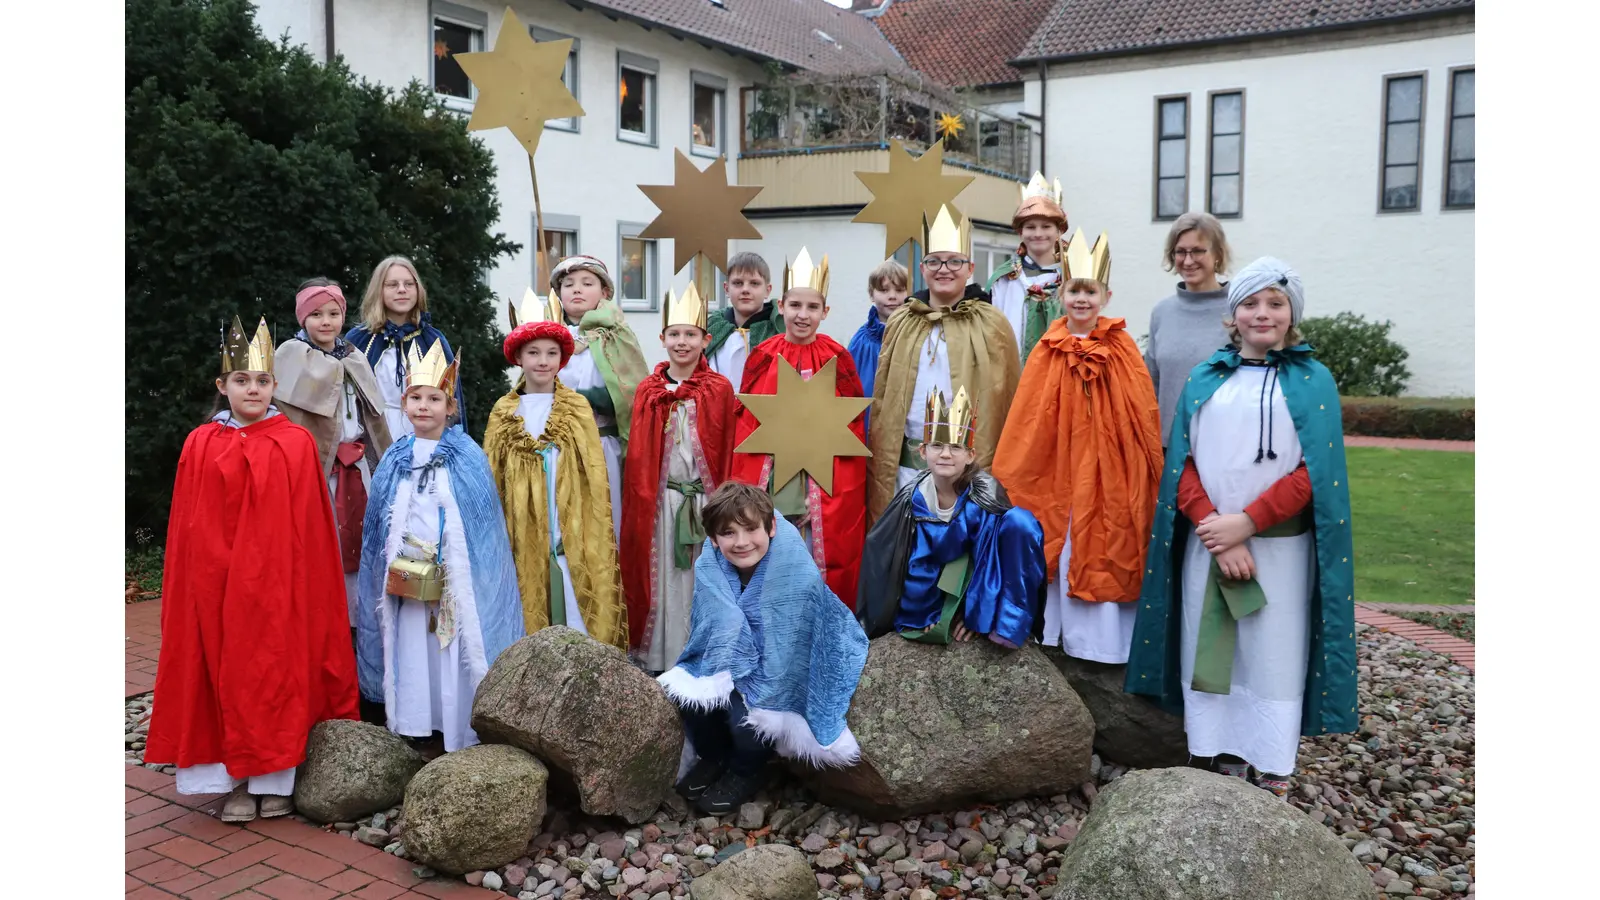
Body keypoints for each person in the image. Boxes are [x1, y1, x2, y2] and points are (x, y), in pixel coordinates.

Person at [1125, 257, 1357, 800]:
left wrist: (1248, 523)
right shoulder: (1208, 378)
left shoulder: (1312, 381)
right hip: (1208, 546)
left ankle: (1272, 759)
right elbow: (1179, 461)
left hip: (1278, 549)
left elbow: (1314, 472)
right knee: (1212, 644)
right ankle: (1219, 749)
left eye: (1275, 303)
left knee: (1270, 647)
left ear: (1291, 314)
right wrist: (1213, 526)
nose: (1262, 313)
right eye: (1251, 303)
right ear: (1232, 316)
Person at [145, 317, 358, 824]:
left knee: (274, 669)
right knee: (223, 666)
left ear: (275, 386)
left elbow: (310, 531)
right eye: (242, 381)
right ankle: (233, 778)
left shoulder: (295, 443)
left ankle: (273, 779)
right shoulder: (202, 443)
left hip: (278, 583)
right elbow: (189, 524)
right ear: (223, 387)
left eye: (262, 381)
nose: (253, 389)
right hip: (216, 583)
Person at [991, 230, 1164, 664]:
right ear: (1061, 293)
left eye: (1090, 291)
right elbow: (1030, 414)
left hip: (1110, 467)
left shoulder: (1122, 347)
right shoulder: (1047, 349)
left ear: (1106, 295)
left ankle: (1110, 643)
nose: (1081, 299)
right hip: (1060, 466)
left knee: (1110, 537)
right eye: (1074, 290)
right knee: (1065, 539)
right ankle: (1066, 636)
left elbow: (1139, 410)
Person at [659, 482, 869, 814]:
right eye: (728, 533)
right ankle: (714, 757)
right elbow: (710, 630)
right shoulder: (709, 568)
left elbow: (790, 650)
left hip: (780, 665)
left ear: (771, 527)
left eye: (751, 529)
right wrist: (724, 669)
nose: (741, 542)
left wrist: (747, 684)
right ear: (713, 539)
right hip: (730, 655)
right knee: (692, 700)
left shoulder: (797, 574)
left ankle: (747, 770)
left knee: (746, 716)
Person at [355, 342, 524, 752]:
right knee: (414, 646)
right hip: (408, 576)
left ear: (450, 407)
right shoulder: (395, 456)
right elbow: (379, 524)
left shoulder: (467, 455)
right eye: (416, 398)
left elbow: (484, 530)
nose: (424, 407)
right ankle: (415, 721)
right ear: (404, 402)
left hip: (454, 579)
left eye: (435, 399)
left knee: (449, 646)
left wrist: (453, 563)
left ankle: (458, 725)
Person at [485, 290, 627, 648]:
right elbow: (493, 476)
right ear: (518, 357)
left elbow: (593, 473)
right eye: (533, 353)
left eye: (551, 353)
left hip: (570, 519)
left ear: (562, 358)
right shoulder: (504, 411)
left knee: (573, 593)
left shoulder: (577, 408)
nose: (543, 361)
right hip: (523, 522)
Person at [730, 248, 868, 610]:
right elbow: (747, 422)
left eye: (812, 307)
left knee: (814, 560)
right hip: (774, 478)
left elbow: (850, 425)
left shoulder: (838, 358)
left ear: (826, 312)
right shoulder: (763, 355)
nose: (802, 315)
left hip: (822, 483)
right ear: (780, 305)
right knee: (772, 560)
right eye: (795, 306)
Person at [866, 204, 1021, 525]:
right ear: (922, 268)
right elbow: (885, 398)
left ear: (970, 268)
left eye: (954, 261)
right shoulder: (902, 321)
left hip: (968, 466)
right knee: (909, 553)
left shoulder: (992, 323)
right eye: (934, 261)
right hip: (908, 467)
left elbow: (1005, 397)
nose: (944, 269)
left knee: (963, 557)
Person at [857, 387, 1046, 648]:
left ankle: (1005, 622)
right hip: (936, 584)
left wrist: (973, 615)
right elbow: (913, 560)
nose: (945, 454)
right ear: (922, 452)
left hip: (979, 583)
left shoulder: (986, 495)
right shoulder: (913, 500)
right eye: (937, 446)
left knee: (1021, 523)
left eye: (956, 447)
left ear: (970, 456)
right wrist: (925, 615)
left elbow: (989, 560)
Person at [621, 283, 737, 672]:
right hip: (662, 505)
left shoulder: (719, 389)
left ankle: (705, 657)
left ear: (706, 339)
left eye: (690, 334)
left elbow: (726, 445)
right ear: (662, 338)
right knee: (665, 580)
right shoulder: (648, 392)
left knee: (700, 581)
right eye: (675, 334)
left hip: (705, 504)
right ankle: (663, 659)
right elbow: (639, 457)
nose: (682, 342)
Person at [274, 278, 393, 623]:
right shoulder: (291, 356)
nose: (325, 321)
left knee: (363, 542)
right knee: (323, 547)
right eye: (315, 314)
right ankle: (325, 620)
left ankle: (359, 625)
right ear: (302, 318)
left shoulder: (353, 355)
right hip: (318, 471)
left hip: (358, 470)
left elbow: (374, 417)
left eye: (333, 313)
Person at [551, 255, 650, 540]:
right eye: (568, 284)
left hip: (602, 445)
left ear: (604, 292)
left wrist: (585, 398)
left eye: (586, 283)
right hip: (559, 447)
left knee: (604, 527)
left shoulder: (617, 336)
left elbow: (632, 393)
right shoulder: (549, 337)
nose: (577, 289)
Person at [346, 255, 463, 439]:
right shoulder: (359, 340)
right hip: (371, 435)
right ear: (379, 290)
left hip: (422, 435)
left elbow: (451, 400)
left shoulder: (433, 340)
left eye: (409, 284)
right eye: (392, 285)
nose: (402, 290)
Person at [1145, 212, 1233, 444]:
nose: (1188, 260)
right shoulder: (1162, 312)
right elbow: (1151, 384)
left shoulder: (1240, 310)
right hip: (1167, 447)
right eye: (1180, 252)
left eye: (1198, 251)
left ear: (1217, 254)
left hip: (1222, 446)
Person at [986, 172, 1071, 362]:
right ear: (1020, 232)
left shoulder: (1073, 277)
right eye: (1030, 227)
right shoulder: (1003, 279)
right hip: (1012, 374)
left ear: (1059, 230)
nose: (1038, 233)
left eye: (1046, 226)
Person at [846, 258, 910, 437]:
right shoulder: (861, 341)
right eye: (884, 290)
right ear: (871, 294)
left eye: (900, 290)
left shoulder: (914, 336)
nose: (892, 296)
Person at [705, 252, 782, 391]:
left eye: (754, 283)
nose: (745, 290)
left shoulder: (779, 330)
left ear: (767, 290)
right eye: (738, 283)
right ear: (726, 289)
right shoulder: (713, 329)